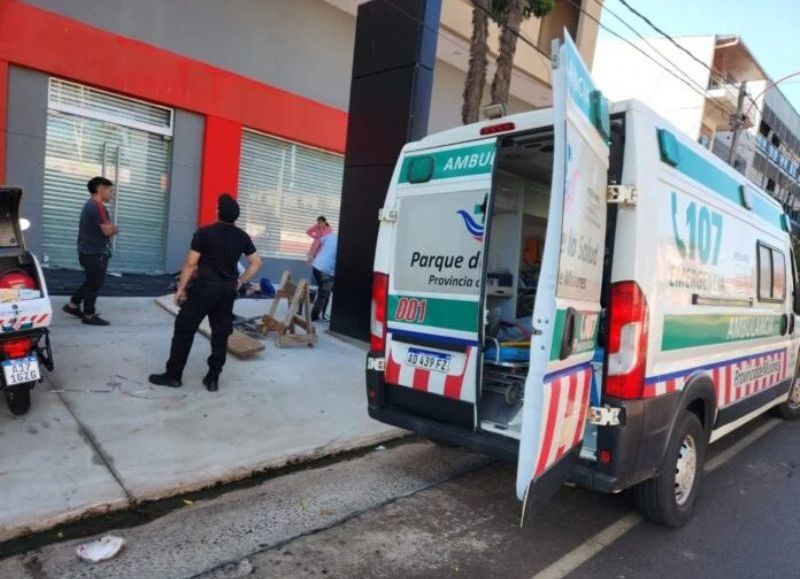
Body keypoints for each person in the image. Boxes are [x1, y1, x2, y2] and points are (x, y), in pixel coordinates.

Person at [149, 194, 262, 392]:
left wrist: (181, 289)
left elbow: (191, 264)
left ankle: (173, 376)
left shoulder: (204, 232)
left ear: (218, 211)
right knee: (220, 334)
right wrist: (239, 281)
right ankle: (212, 379)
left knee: (184, 328)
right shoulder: (242, 236)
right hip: (227, 291)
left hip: (204, 288)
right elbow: (256, 263)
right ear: (235, 216)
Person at [62, 176, 119, 326]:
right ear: (101, 189)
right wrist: (115, 229)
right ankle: (89, 315)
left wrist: (111, 228)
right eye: (110, 191)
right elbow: (108, 231)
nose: (112, 194)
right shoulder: (97, 207)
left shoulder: (90, 205)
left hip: (88, 252)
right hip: (95, 253)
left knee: (91, 281)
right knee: (94, 284)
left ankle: (73, 305)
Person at [311, 232, 337, 322]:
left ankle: (322, 314)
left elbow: (318, 241)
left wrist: (313, 255)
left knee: (325, 291)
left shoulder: (332, 235)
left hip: (316, 266)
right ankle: (314, 315)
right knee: (323, 293)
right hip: (326, 270)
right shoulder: (344, 242)